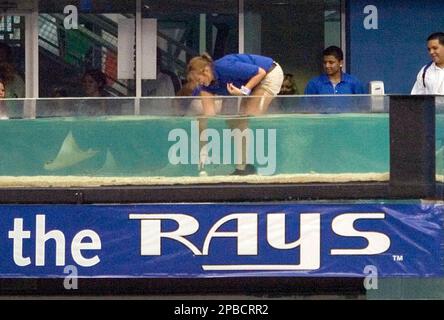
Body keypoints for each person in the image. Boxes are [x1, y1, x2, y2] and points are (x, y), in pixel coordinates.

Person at [187, 52, 284, 175]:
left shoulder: (224, 67)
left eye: (198, 79)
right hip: (250, 81)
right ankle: (243, 167)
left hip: (269, 73)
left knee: (251, 116)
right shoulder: (204, 86)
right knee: (237, 121)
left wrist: (244, 91)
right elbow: (209, 114)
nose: (198, 83)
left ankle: (259, 164)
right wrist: (203, 146)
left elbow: (260, 72)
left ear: (205, 71)